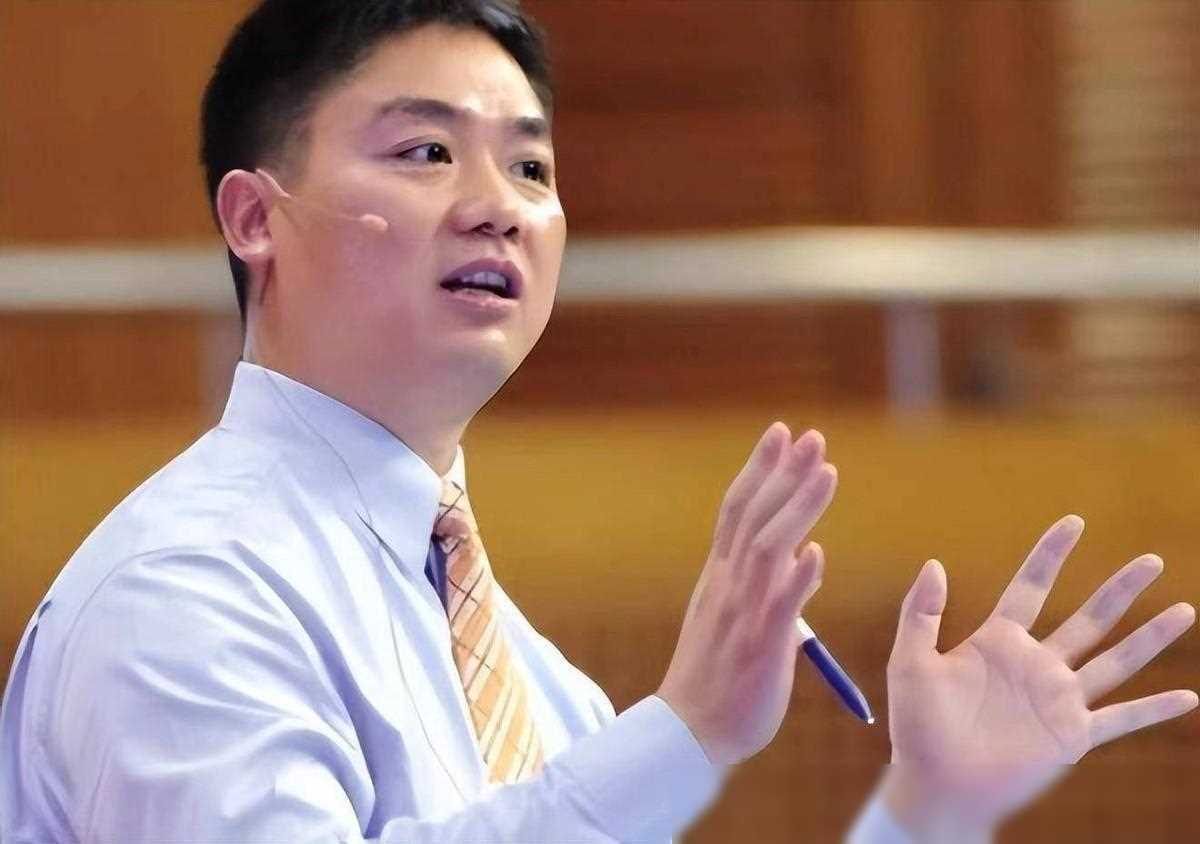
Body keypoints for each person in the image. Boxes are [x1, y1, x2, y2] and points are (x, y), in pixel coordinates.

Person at [0, 1, 1194, 841]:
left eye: (530, 169)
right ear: (256, 219)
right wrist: (683, 732)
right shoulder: (185, 590)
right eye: (426, 150)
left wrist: (929, 811)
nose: (498, 208)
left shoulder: (540, 681)